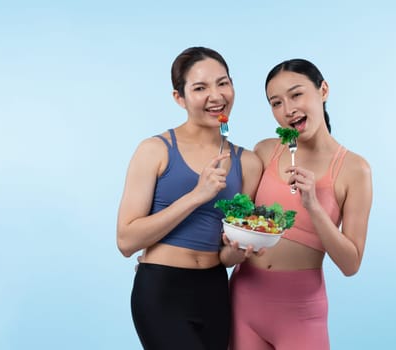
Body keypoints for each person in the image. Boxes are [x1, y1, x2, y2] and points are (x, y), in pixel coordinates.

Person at [116, 46, 262, 350]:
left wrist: (239, 252)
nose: (216, 95)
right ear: (178, 97)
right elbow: (126, 241)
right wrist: (196, 196)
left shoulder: (247, 162)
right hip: (161, 290)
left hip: (214, 290)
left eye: (223, 83)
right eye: (200, 88)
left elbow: (224, 254)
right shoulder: (154, 150)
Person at [226, 58, 373, 350]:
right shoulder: (267, 151)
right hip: (244, 301)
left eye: (296, 95)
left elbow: (350, 264)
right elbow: (234, 230)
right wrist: (169, 261)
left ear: (323, 90)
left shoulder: (354, 170)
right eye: (276, 103)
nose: (288, 110)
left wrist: (314, 206)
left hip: (301, 313)